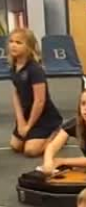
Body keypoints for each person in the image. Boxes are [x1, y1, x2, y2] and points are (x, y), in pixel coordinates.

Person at [8, 28, 62, 157]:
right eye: (11, 41)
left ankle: (58, 134)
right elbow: (16, 94)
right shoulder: (14, 66)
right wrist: (21, 122)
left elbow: (40, 100)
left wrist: (28, 126)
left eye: (19, 42)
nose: (13, 45)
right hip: (27, 113)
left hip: (43, 116)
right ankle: (32, 133)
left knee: (31, 151)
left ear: (29, 47)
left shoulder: (35, 69)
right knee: (15, 146)